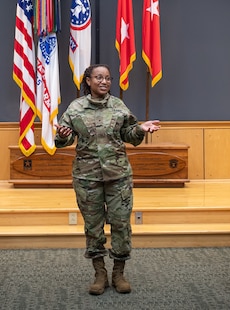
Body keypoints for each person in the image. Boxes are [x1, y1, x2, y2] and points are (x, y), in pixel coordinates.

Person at [55, 64, 161, 296]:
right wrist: (62, 136)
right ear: (88, 81)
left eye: (107, 78)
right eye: (99, 78)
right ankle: (100, 273)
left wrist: (141, 128)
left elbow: (129, 136)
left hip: (118, 175)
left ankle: (119, 273)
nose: (104, 82)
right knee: (93, 227)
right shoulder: (75, 108)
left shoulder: (118, 106)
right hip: (87, 176)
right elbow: (61, 141)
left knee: (121, 224)